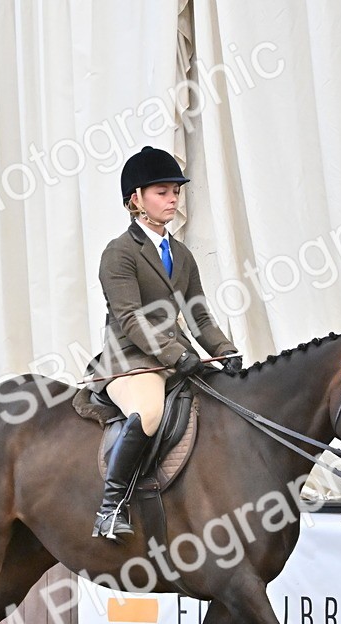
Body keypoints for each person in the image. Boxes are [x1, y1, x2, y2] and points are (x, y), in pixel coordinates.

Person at [87, 146, 242, 539]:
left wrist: (224, 351)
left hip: (177, 359)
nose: (172, 197)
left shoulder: (182, 255)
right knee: (150, 413)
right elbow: (130, 318)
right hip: (132, 360)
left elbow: (199, 315)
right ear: (135, 199)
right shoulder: (119, 252)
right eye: (162, 191)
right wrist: (176, 354)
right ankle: (111, 507)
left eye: (175, 190)